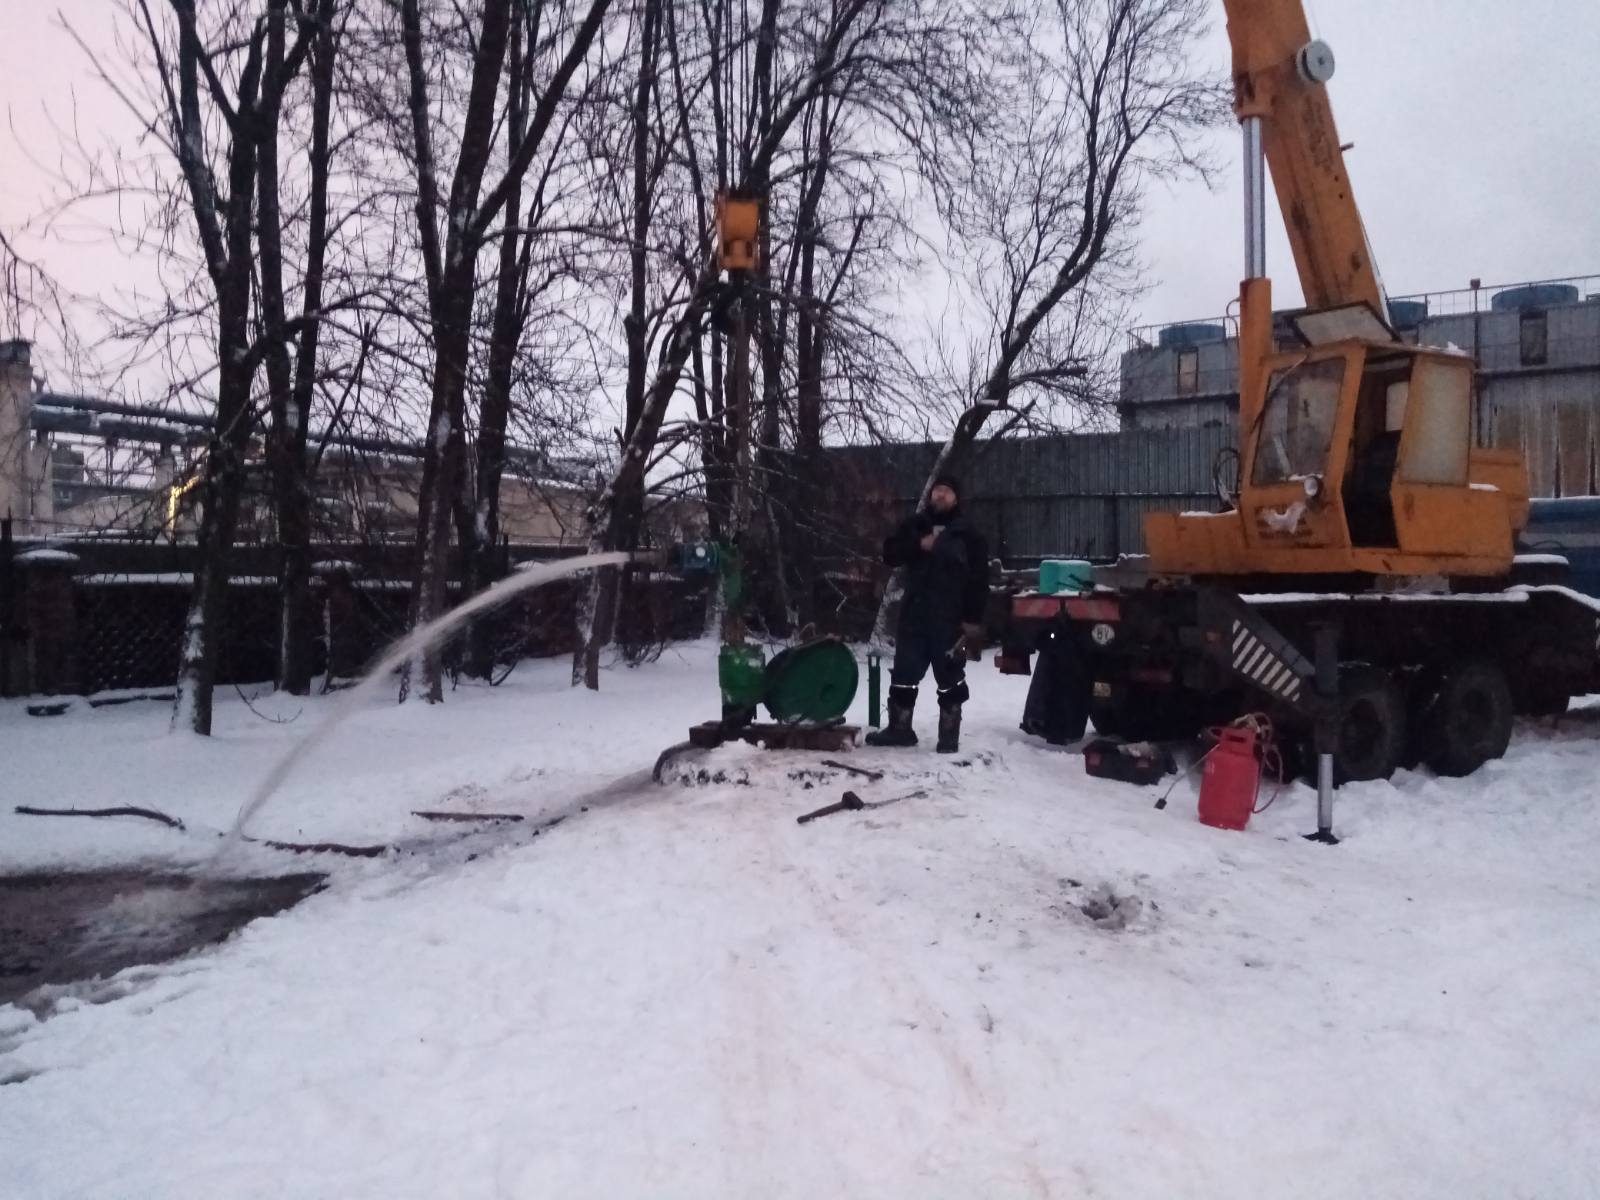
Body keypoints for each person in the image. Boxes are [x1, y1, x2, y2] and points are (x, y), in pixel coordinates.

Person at [866, 473, 989, 753]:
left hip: (950, 618)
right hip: (915, 614)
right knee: (904, 674)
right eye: (937, 490)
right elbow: (889, 554)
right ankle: (900, 729)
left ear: (956, 498)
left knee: (949, 678)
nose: (940, 495)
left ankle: (948, 736)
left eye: (946, 491)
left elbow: (979, 580)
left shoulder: (969, 534)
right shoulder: (915, 525)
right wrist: (918, 545)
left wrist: (972, 620)